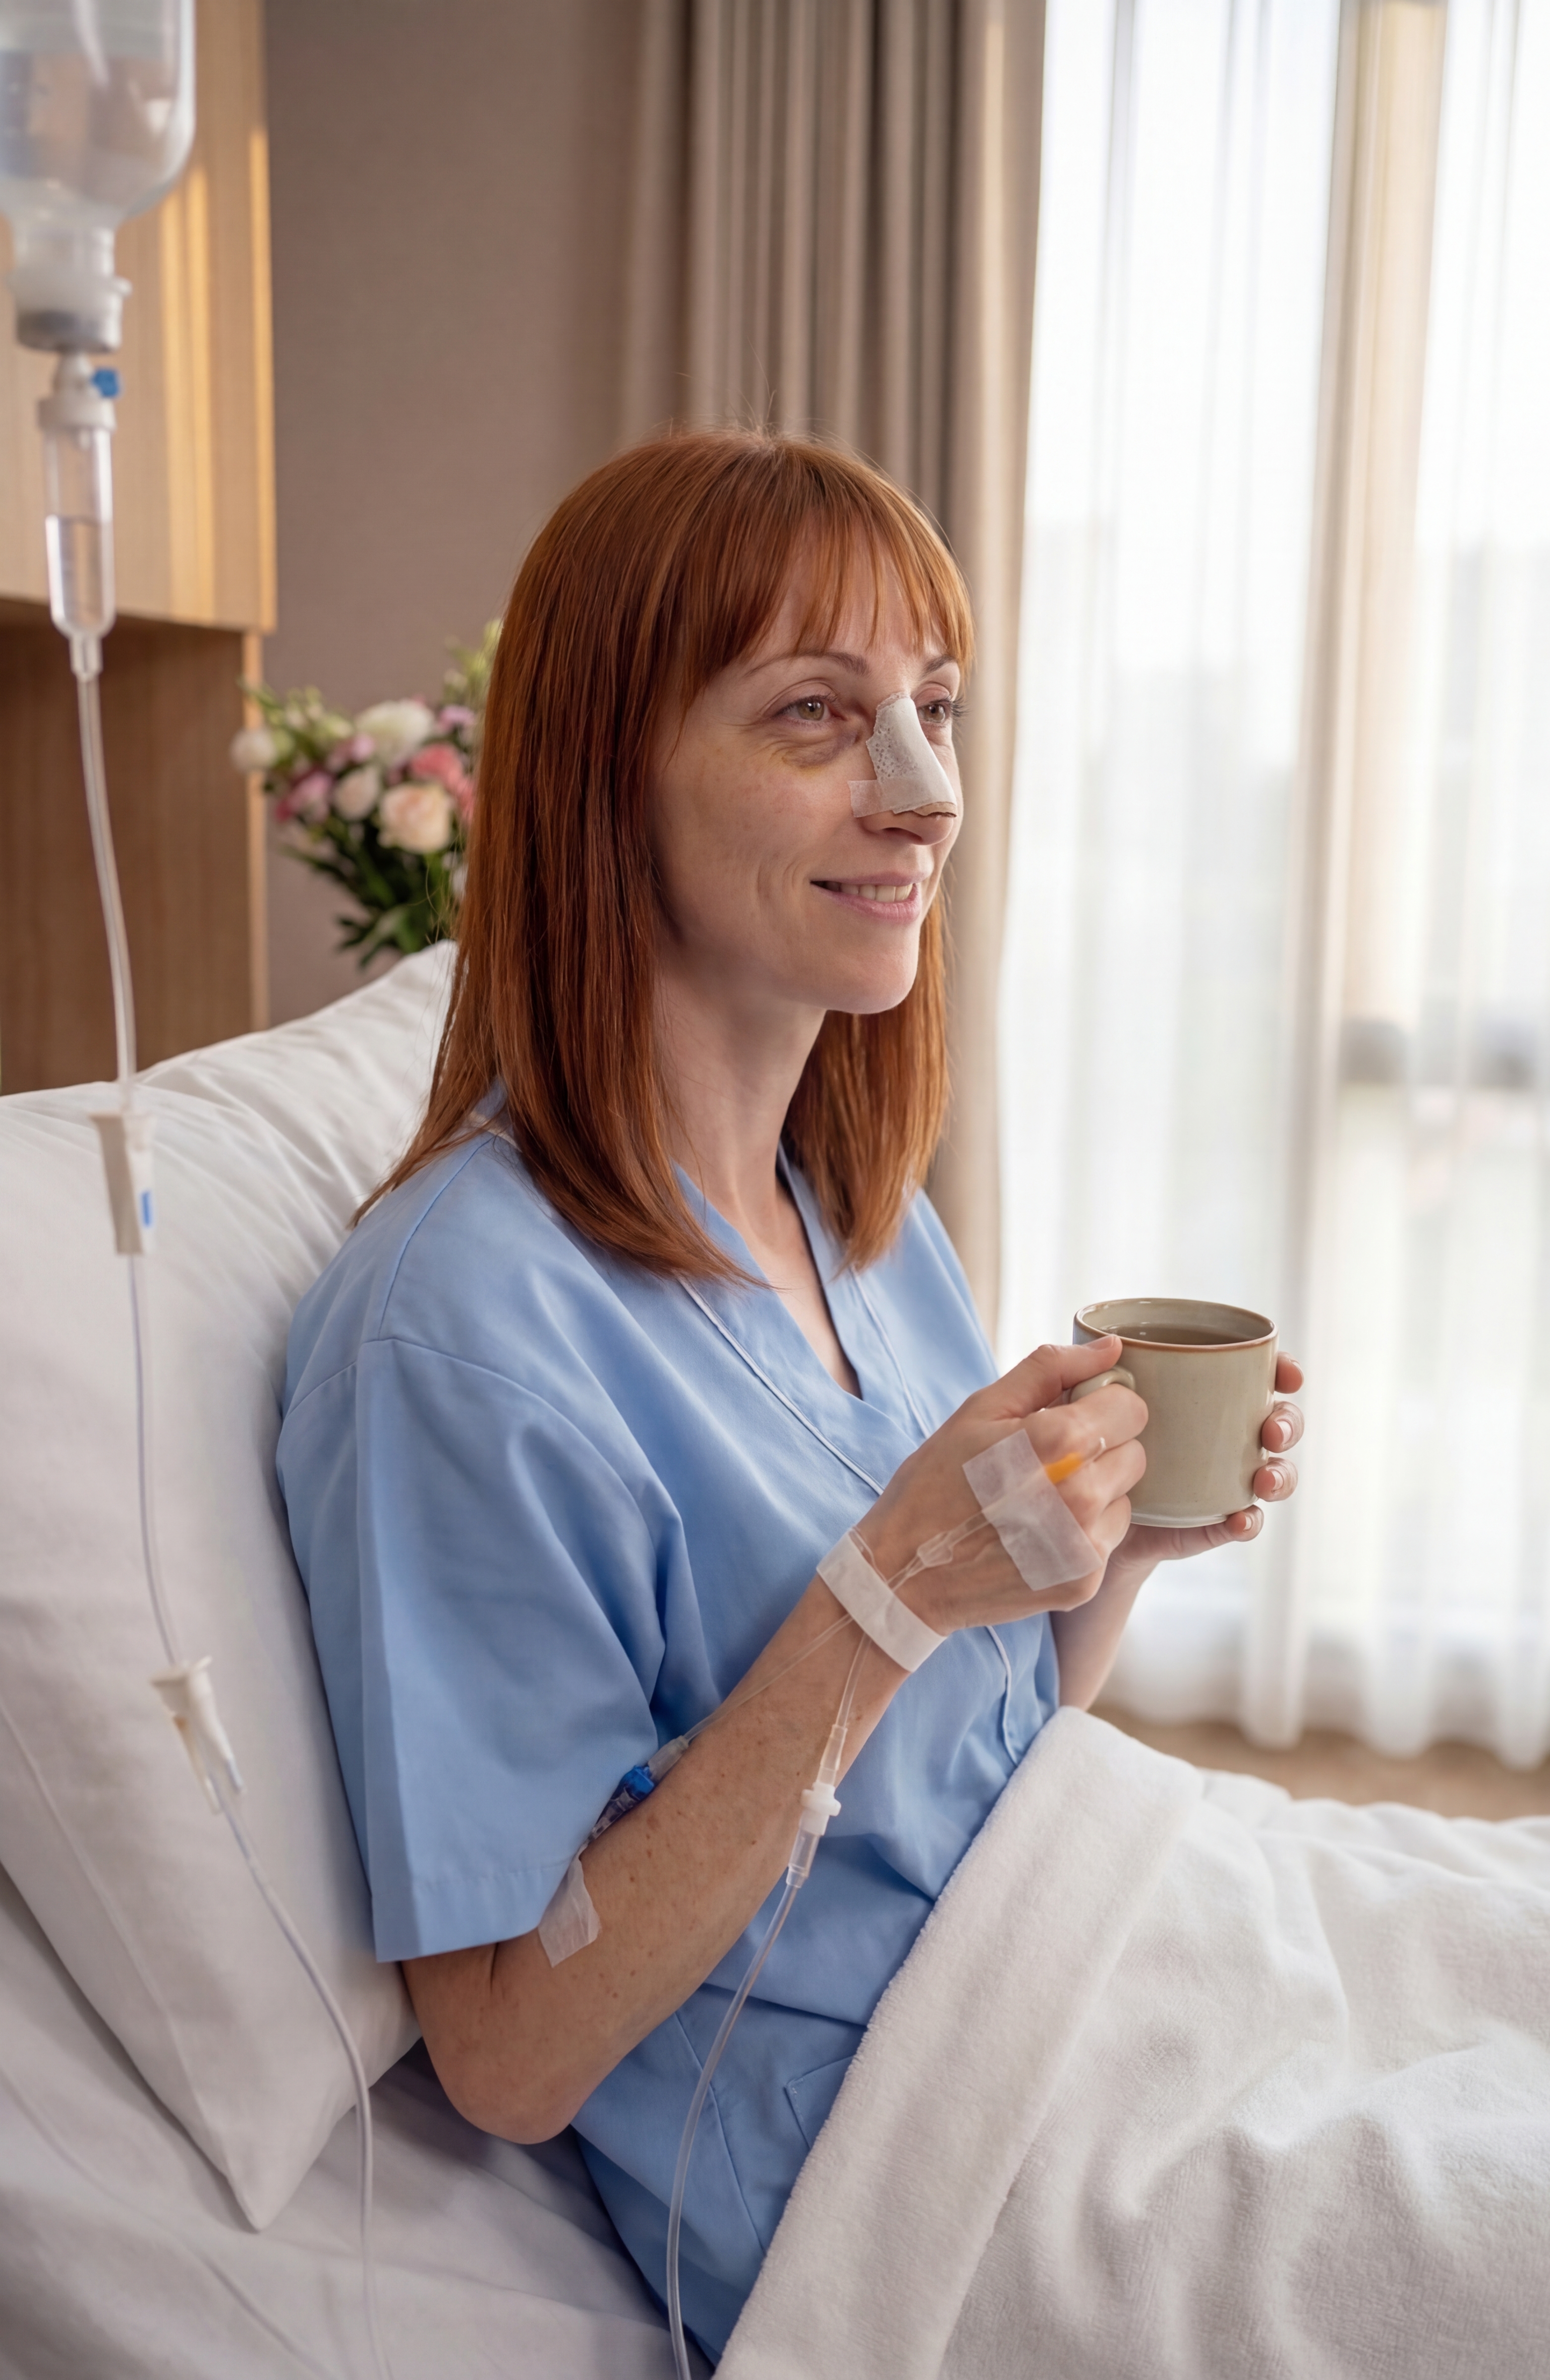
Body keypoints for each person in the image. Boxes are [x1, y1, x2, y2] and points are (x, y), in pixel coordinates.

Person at [277, 429, 1304, 2363]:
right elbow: (505, 2046)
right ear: (606, 777)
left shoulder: (858, 1220)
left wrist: (1107, 1561)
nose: (926, 794)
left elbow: (954, 1771)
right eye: (819, 714)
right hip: (940, 2172)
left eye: (934, 709)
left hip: (1103, 1970)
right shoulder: (461, 1334)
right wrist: (891, 1584)